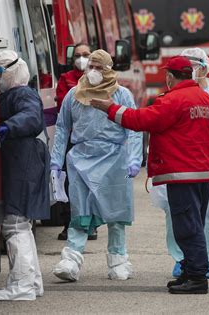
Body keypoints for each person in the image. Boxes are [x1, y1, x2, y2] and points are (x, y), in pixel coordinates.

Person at [92, 56, 209, 294]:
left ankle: (196, 278)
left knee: (187, 227)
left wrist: (110, 108)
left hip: (182, 174)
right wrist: (208, 166)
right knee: (194, 223)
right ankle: (189, 271)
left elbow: (141, 120)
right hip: (202, 175)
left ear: (170, 77)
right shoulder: (206, 100)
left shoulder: (173, 100)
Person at [149, 48, 209, 281]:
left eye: (195, 65)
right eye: (187, 65)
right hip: (181, 164)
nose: (191, 70)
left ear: (205, 67)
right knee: (176, 213)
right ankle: (181, 259)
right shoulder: (173, 94)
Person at [51, 49, 143, 282]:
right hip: (81, 158)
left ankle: (118, 259)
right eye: (90, 65)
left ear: (109, 69)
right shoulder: (74, 94)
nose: (92, 70)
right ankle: (71, 259)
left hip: (114, 159)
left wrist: (134, 158)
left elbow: (133, 128)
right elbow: (62, 128)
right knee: (80, 211)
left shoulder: (121, 95)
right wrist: (56, 162)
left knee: (116, 213)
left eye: (98, 67)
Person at [0, 50, 50, 301]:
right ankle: (30, 282)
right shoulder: (15, 94)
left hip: (23, 163)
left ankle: (23, 286)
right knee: (22, 225)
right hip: (24, 162)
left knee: (15, 225)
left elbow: (31, 117)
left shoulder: (22, 94)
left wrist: (8, 126)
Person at [55, 43, 97, 241]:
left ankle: (92, 224)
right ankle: (69, 224)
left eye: (86, 55)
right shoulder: (66, 80)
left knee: (92, 183)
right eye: (78, 55)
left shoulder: (99, 80)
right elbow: (66, 106)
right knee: (70, 183)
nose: (82, 58)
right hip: (73, 140)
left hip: (94, 140)